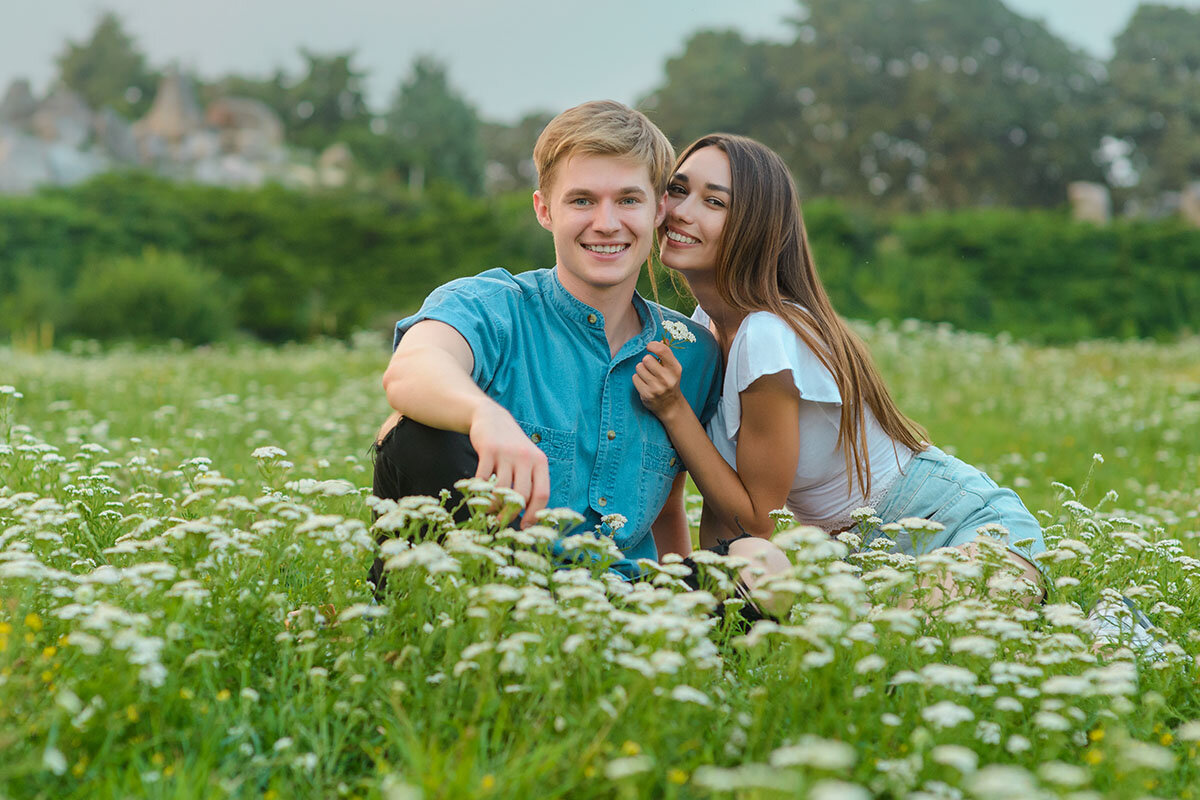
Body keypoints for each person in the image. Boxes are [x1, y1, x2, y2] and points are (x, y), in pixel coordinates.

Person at [632, 134, 1046, 600]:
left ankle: (1119, 624)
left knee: (917, 648)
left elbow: (756, 520)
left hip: (965, 530)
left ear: (754, 226)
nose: (684, 211)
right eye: (678, 189)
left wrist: (673, 409)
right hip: (856, 556)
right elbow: (727, 520)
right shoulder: (703, 327)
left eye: (714, 202)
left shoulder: (766, 334)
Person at [368, 101, 722, 593]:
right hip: (488, 598)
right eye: (581, 201)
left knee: (760, 567)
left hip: (619, 607)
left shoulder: (693, 351)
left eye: (627, 200)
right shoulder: (492, 306)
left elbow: (668, 506)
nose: (605, 223)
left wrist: (681, 610)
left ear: (659, 209)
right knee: (418, 433)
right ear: (544, 210)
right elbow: (413, 367)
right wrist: (483, 415)